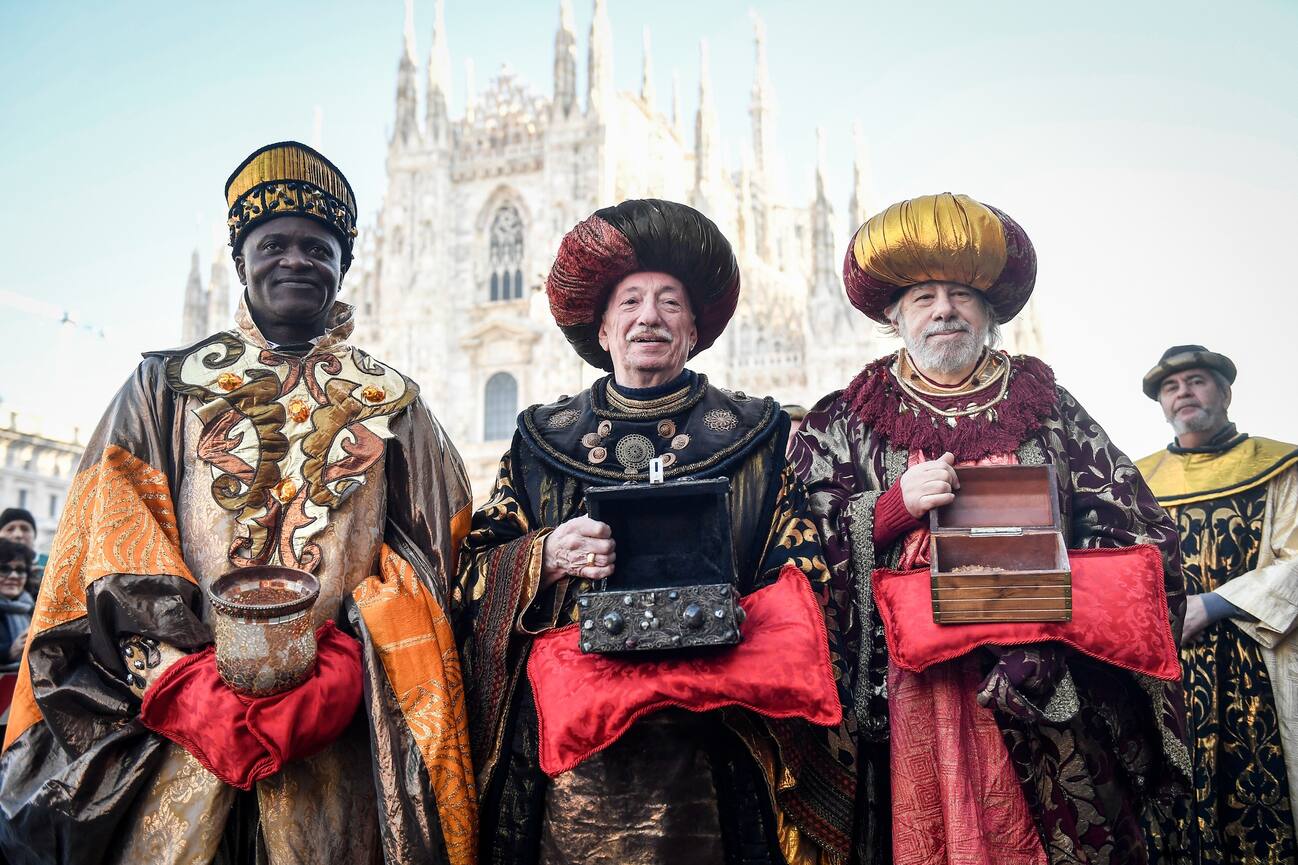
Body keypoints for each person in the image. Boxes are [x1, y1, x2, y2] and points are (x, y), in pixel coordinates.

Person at [0, 141, 477, 865]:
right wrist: (179, 679)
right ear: (240, 259)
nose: (295, 260)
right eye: (274, 243)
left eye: (317, 247)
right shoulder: (163, 386)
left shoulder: (395, 404)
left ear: (343, 267)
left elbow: (437, 553)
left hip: (337, 739)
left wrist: (357, 657)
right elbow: (110, 538)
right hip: (180, 730)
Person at [790, 193, 1189, 864]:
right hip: (907, 704)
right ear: (895, 315)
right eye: (923, 297)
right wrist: (889, 511)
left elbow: (1136, 530)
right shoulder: (846, 420)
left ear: (991, 312)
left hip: (1047, 696)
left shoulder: (1049, 408)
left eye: (961, 294)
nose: (944, 309)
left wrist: (1054, 612)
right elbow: (797, 553)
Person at [455, 199, 852, 864]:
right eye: (630, 301)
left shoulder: (758, 434)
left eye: (670, 302)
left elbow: (805, 573)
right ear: (603, 329)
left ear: (694, 328)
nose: (649, 317)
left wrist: (728, 615)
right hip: (581, 757)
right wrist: (544, 556)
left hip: (721, 738)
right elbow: (468, 576)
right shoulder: (540, 441)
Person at [1136, 345, 1298, 863]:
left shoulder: (1281, 467)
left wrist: (1217, 603)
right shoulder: (1137, 482)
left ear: (1225, 393)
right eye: (1170, 386)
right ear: (1162, 405)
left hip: (1261, 660)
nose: (1183, 392)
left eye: (1197, 381)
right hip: (1171, 669)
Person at [0, 539, 34, 672]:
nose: (14, 576)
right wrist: (8, 651)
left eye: (20, 570)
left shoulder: (35, 610)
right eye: (4, 569)